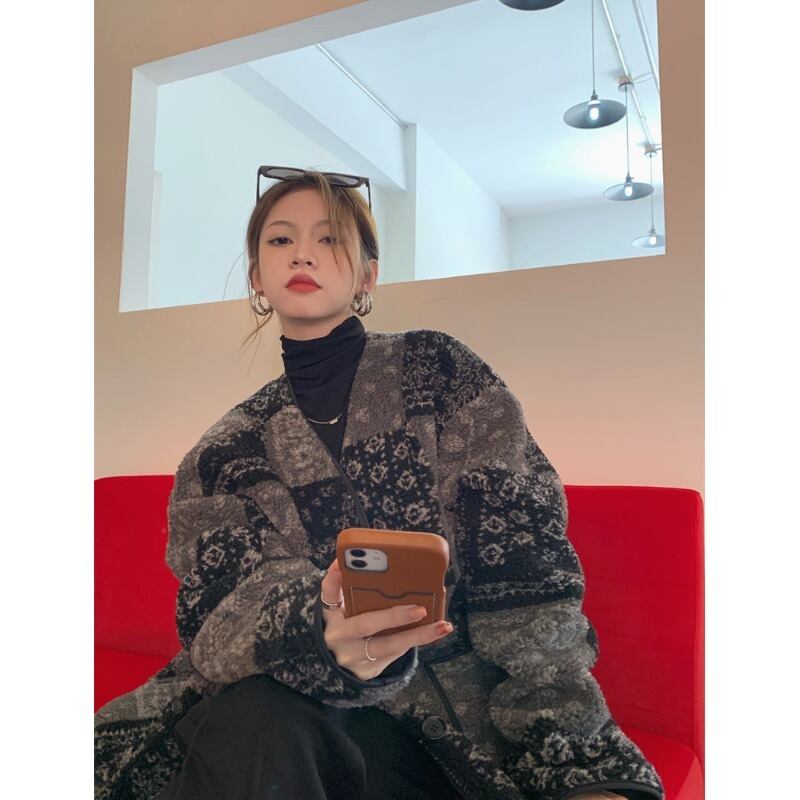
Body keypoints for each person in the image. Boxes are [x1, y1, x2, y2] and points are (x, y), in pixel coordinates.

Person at [95, 168, 664, 800]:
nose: (303, 254)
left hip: (443, 736)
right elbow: (216, 617)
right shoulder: (222, 454)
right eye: (280, 240)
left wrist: (573, 757)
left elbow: (526, 571)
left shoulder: (438, 376)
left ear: (368, 275)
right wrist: (316, 629)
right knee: (258, 714)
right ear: (256, 276)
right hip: (290, 713)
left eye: (330, 239)